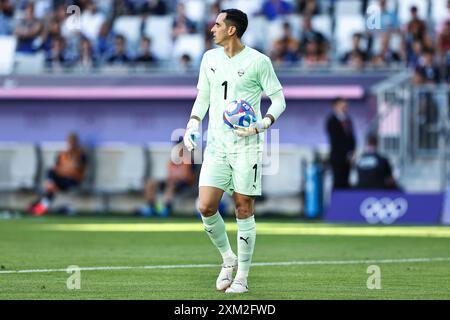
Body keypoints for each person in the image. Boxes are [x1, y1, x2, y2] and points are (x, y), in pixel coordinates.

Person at [183, 9, 286, 294]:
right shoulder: (209, 58)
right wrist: (193, 123)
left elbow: (279, 100)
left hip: (246, 146)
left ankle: (242, 276)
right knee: (205, 206)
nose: (211, 28)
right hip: (216, 145)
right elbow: (203, 94)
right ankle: (228, 258)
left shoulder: (258, 61)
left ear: (231, 30)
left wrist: (262, 123)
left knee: (243, 207)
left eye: (217, 24)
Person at [28, 133, 88, 216]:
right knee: (50, 174)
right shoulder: (62, 153)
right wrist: (62, 172)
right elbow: (56, 168)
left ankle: (37, 207)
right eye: (69, 141)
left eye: (73, 141)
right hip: (61, 179)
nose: (71, 144)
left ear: (76, 142)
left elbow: (80, 173)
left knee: (52, 189)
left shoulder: (81, 155)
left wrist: (65, 172)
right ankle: (40, 208)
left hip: (72, 181)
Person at [137, 139, 196, 217]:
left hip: (184, 184)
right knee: (150, 182)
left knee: (171, 184)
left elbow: (189, 177)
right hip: (172, 182)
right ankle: (151, 207)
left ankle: (166, 209)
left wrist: (176, 177)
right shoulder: (172, 161)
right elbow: (169, 175)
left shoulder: (189, 160)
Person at [325, 97, 356, 189]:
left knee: (346, 180)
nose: (344, 108)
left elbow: (352, 137)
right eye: (342, 106)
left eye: (345, 106)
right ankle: (337, 201)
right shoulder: (332, 121)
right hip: (337, 156)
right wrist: (345, 153)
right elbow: (336, 140)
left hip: (348, 157)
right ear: (335, 107)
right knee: (338, 180)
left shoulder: (348, 120)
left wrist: (351, 152)